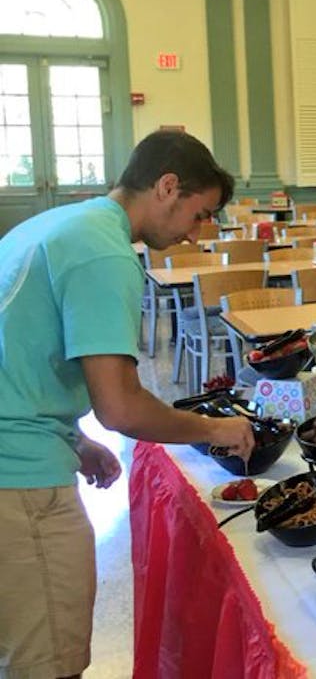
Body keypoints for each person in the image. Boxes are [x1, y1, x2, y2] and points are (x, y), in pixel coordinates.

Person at [0, 130, 256, 679]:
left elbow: (17, 359)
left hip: (20, 450)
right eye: (199, 213)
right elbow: (120, 408)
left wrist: (74, 440)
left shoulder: (61, 224)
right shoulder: (103, 252)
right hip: (19, 480)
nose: (194, 234)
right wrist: (213, 429)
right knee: (47, 664)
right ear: (167, 186)